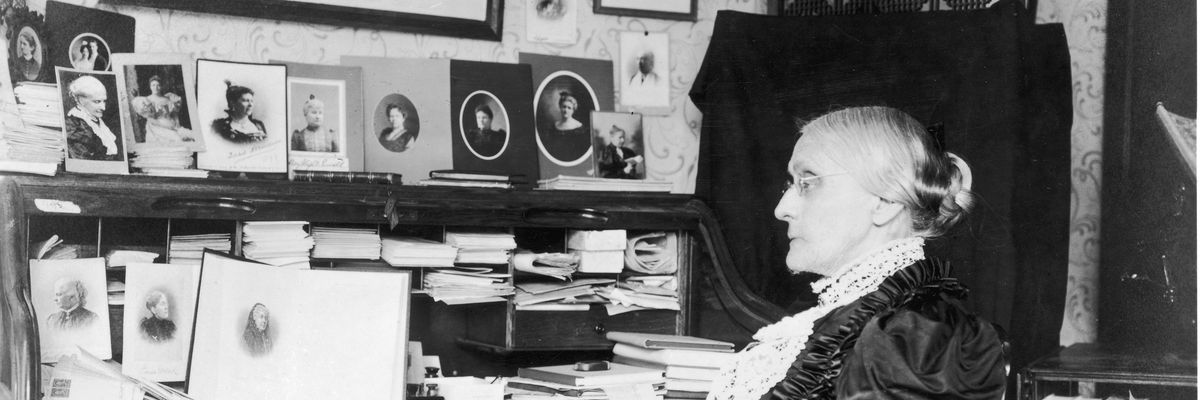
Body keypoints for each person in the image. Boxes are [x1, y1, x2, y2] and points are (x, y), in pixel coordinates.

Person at [707, 106, 1006, 400]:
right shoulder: (851, 317)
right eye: (790, 183)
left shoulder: (910, 339)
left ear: (885, 202)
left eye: (808, 182)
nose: (782, 209)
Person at [64, 75, 122, 160]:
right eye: (97, 101)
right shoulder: (75, 125)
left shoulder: (95, 120)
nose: (103, 107)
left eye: (104, 101)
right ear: (81, 100)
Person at [130, 75, 196, 144]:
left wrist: (175, 125)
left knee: (192, 135)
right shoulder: (147, 100)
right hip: (156, 127)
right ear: (150, 87)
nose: (156, 87)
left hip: (171, 124)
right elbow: (150, 118)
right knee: (178, 139)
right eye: (153, 85)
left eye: (158, 85)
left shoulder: (168, 99)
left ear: (161, 87)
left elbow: (173, 115)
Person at [542, 90, 589, 161]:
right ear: (560, 107)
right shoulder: (554, 126)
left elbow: (581, 149)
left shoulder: (579, 127)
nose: (566, 110)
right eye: (564, 107)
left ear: (573, 110)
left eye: (569, 108)